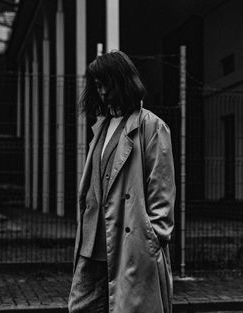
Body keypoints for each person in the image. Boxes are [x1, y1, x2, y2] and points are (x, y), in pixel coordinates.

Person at [68, 50, 175, 313]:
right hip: (92, 245)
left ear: (123, 80)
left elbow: (162, 193)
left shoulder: (151, 126)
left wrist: (152, 239)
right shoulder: (101, 127)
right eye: (97, 85)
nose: (102, 91)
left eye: (107, 83)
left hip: (130, 246)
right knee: (79, 307)